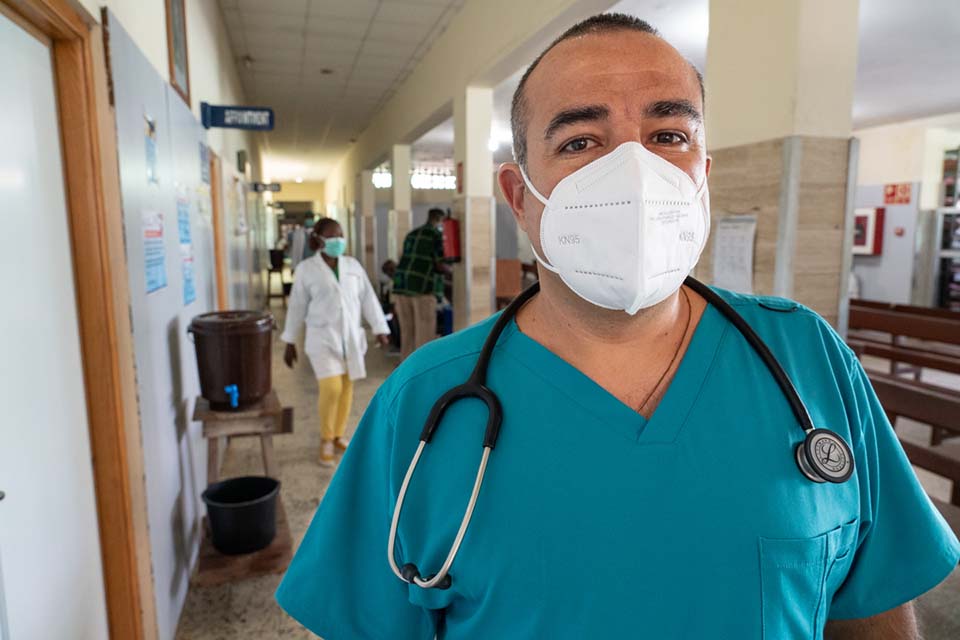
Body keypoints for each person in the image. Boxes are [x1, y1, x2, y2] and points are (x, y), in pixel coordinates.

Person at [276, 14, 959, 638]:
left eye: (669, 135)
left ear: (703, 174)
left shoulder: (807, 358)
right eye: (580, 140)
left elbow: (871, 610)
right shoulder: (423, 403)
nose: (636, 170)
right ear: (521, 198)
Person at [281, 217, 390, 466]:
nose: (338, 241)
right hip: (322, 339)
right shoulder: (307, 269)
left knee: (347, 388)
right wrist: (289, 341)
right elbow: (296, 307)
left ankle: (339, 435)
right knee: (331, 389)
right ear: (319, 240)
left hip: (350, 337)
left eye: (340, 235)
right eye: (332, 236)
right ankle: (326, 438)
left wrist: (379, 328)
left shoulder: (352, 265)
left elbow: (368, 299)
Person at [392, 207, 447, 360]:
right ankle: (422, 371)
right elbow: (439, 264)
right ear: (439, 220)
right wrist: (450, 271)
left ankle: (406, 370)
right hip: (422, 288)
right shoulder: (436, 235)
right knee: (424, 334)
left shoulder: (411, 234)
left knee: (407, 332)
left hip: (401, 286)